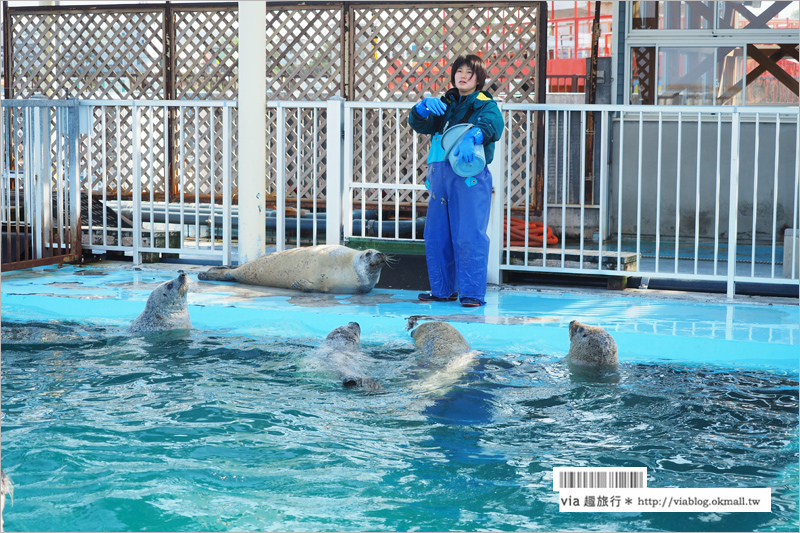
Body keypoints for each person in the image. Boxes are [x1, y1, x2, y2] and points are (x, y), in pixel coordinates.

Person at [408, 54, 504, 307]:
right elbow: (422, 124)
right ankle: (442, 290)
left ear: (479, 78)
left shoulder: (484, 104)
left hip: (469, 177)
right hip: (440, 176)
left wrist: (475, 134)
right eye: (459, 71)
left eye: (469, 72)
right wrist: (420, 109)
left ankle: (471, 293)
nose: (462, 76)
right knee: (436, 234)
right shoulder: (446, 103)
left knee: (468, 234)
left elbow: (493, 125)